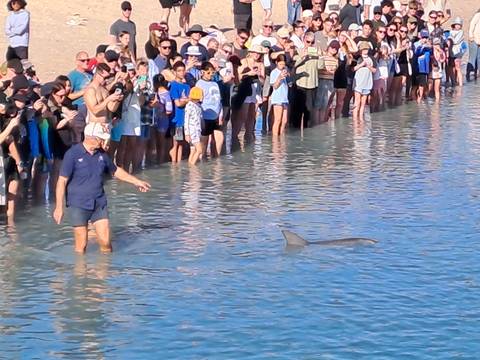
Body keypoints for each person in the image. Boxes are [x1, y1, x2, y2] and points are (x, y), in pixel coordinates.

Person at [53, 122, 150, 254]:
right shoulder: (73, 154)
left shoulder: (102, 154)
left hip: (99, 203)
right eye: (101, 138)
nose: (104, 141)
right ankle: (81, 272)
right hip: (78, 204)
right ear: (91, 137)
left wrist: (136, 181)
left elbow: (115, 171)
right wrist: (59, 207)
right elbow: (61, 181)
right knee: (81, 246)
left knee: (106, 243)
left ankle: (104, 271)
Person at [196, 62, 224, 158]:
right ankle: (201, 161)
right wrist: (200, 118)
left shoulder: (215, 84)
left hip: (216, 116)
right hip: (205, 116)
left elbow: (219, 101)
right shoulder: (199, 84)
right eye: (208, 73)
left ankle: (216, 161)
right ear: (202, 72)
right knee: (204, 141)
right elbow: (198, 102)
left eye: (212, 73)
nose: (210, 75)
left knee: (220, 138)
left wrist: (220, 115)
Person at [169, 61, 190, 163]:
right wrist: (187, 100)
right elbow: (177, 103)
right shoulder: (173, 85)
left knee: (181, 142)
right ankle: (174, 163)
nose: (182, 73)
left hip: (185, 118)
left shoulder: (187, 86)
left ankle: (179, 164)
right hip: (177, 119)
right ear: (175, 72)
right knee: (176, 143)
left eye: (183, 70)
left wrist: (186, 100)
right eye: (179, 71)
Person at [352, 41, 376, 121]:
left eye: (366, 48)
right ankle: (355, 119)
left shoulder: (371, 58)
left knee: (363, 103)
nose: (365, 50)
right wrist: (361, 65)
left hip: (367, 82)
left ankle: (361, 119)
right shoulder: (357, 58)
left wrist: (369, 66)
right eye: (364, 48)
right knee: (357, 102)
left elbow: (374, 70)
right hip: (358, 82)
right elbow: (353, 69)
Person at [152, 74, 172, 164]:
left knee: (161, 143)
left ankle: (160, 161)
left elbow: (169, 110)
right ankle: (158, 161)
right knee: (158, 143)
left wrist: (159, 105)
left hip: (162, 119)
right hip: (157, 119)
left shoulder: (165, 94)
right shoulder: (156, 93)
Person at [269, 55, 289, 136]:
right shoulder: (274, 72)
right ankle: (275, 138)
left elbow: (288, 83)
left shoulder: (285, 70)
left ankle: (281, 136)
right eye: (280, 64)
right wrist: (280, 78)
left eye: (283, 64)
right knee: (277, 120)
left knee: (284, 120)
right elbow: (275, 86)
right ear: (277, 63)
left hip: (284, 98)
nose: (282, 66)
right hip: (277, 98)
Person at [184, 86, 203, 165]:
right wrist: (187, 134)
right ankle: (193, 167)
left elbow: (200, 118)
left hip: (197, 130)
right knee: (199, 150)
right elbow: (186, 120)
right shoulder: (189, 106)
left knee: (193, 150)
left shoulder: (198, 106)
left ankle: (190, 168)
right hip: (192, 131)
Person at [467, 8, 480, 81]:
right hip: (474, 39)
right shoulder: (478, 15)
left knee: (479, 58)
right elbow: (472, 24)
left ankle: (477, 74)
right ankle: (468, 73)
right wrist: (470, 35)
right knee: (472, 58)